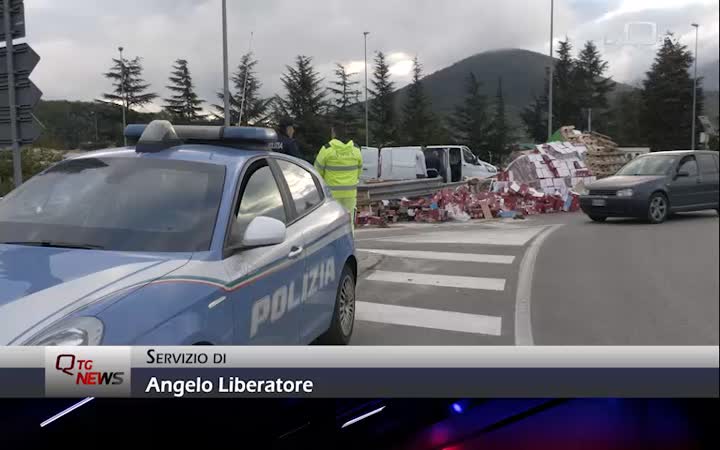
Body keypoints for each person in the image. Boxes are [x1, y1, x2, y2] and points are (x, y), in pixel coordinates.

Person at [314, 129, 363, 232]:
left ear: (334, 133)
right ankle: (349, 245)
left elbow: (317, 172)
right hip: (350, 194)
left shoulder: (327, 150)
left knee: (331, 224)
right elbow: (359, 172)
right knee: (349, 223)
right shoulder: (356, 150)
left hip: (332, 195)